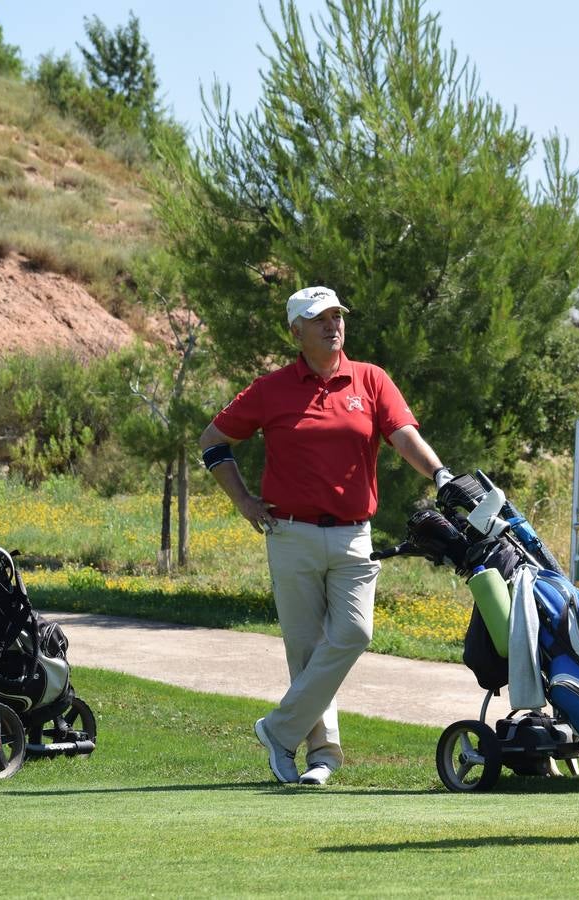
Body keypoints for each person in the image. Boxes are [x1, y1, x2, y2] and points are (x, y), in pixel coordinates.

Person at [198, 285, 452, 786]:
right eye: (320, 319)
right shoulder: (270, 389)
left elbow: (403, 435)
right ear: (296, 332)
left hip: (354, 534)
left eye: (337, 316)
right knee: (305, 649)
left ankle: (278, 729)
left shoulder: (371, 379)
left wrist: (440, 473)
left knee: (355, 633)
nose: (333, 325)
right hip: (289, 534)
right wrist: (244, 502)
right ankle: (322, 756)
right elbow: (213, 442)